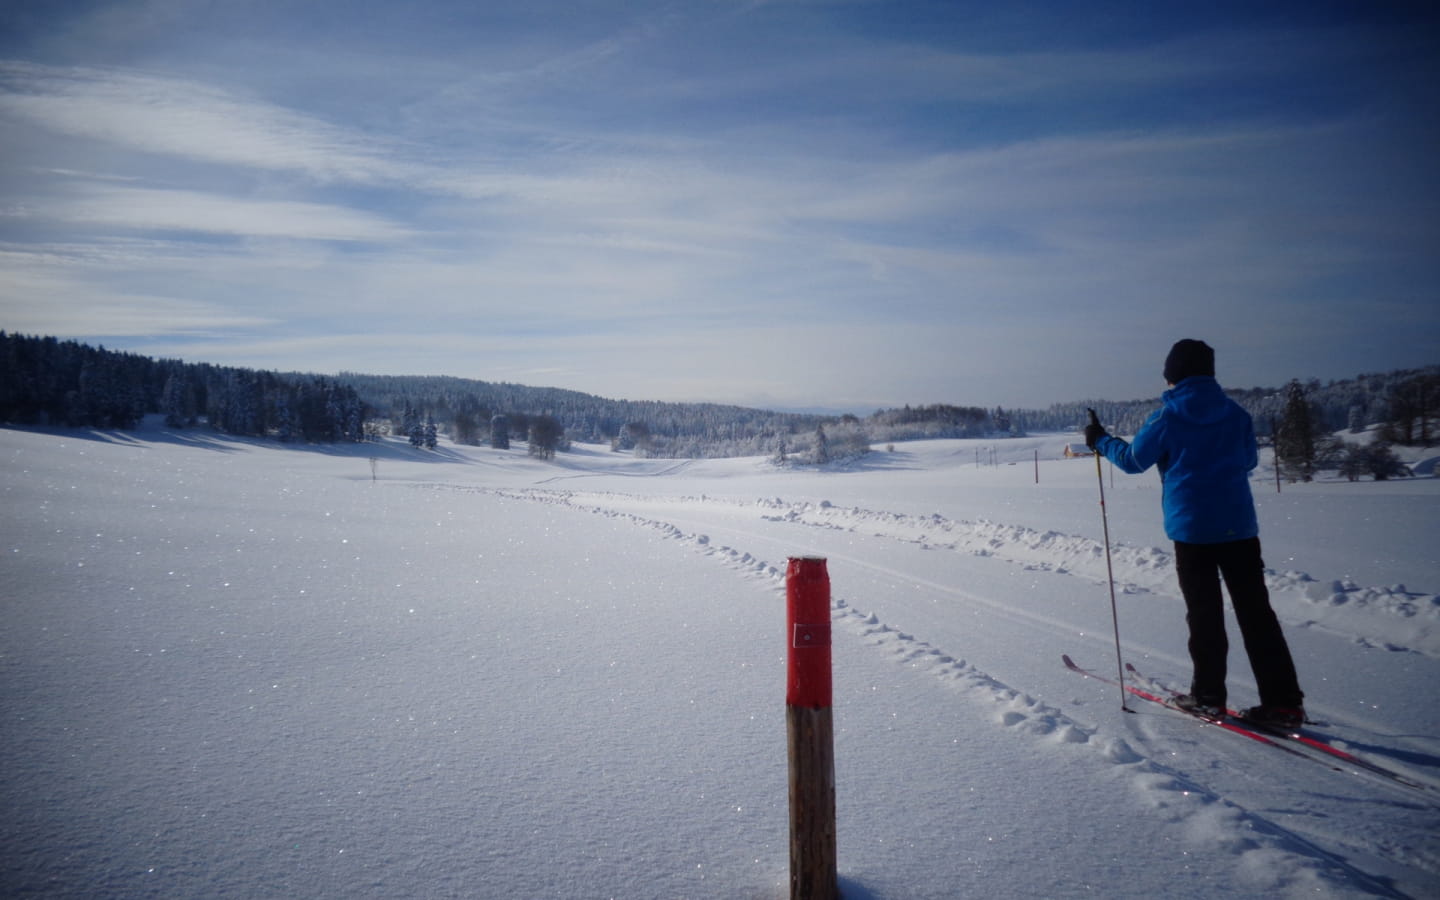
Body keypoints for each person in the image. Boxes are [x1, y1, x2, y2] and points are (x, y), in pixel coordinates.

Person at [1085, 339, 1305, 730]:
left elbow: (1134, 461)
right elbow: (1250, 460)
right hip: (1239, 527)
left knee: (1204, 615)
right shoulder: (1236, 414)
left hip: (1192, 531)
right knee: (1257, 615)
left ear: (1173, 374)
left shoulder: (1166, 417)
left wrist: (1101, 440)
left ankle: (1208, 697)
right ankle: (1284, 703)